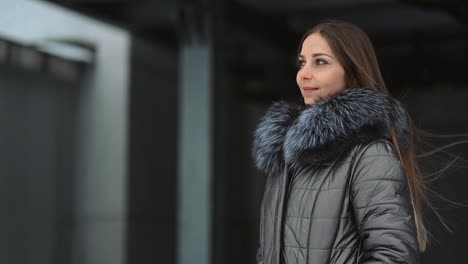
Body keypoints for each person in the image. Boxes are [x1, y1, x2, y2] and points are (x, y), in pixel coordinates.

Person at [252, 20, 425, 264]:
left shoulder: (371, 153)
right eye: (302, 62)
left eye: (320, 61)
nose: (304, 74)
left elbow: (394, 256)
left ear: (352, 71)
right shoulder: (285, 154)